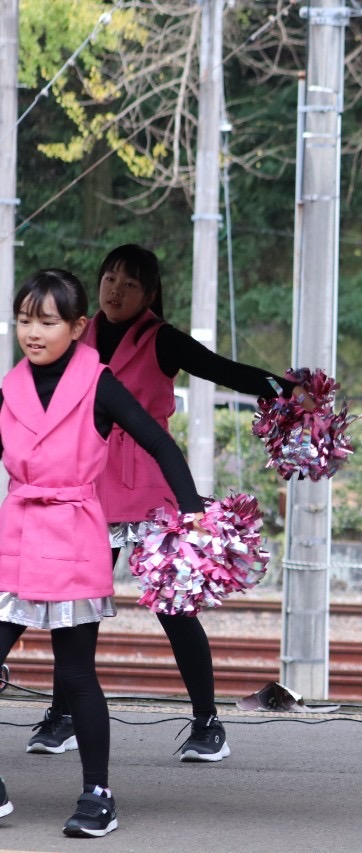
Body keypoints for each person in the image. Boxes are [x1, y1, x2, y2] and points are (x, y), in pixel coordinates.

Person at [26, 245, 303, 763]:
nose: (115, 290)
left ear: (149, 294)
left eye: (129, 284)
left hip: (154, 486)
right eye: (109, 278)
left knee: (176, 611)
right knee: (72, 605)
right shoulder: (77, 335)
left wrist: (285, 390)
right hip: (88, 484)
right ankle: (62, 716)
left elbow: (226, 371)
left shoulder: (161, 339)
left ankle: (207, 724)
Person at [0, 269, 204, 837]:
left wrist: (190, 511)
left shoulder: (100, 382)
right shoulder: (8, 388)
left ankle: (98, 795)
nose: (33, 332)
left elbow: (160, 441)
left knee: (77, 673)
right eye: (24, 320)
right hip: (15, 534)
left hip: (72, 532)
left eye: (47, 321)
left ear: (77, 326)